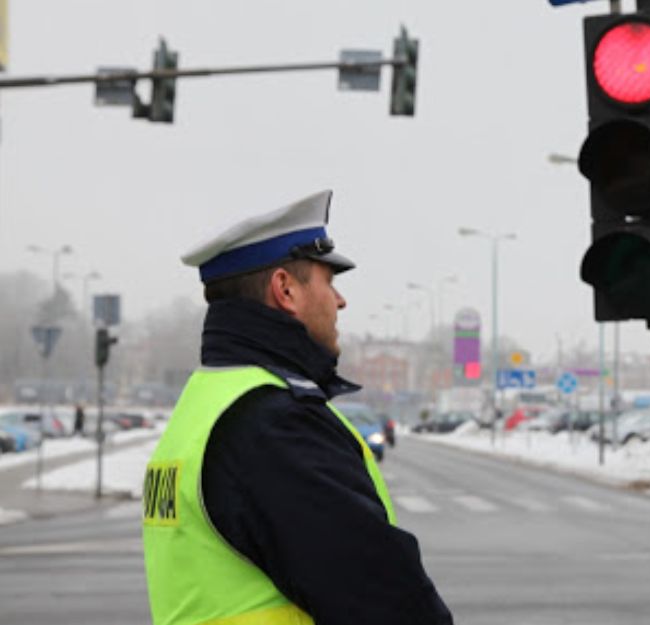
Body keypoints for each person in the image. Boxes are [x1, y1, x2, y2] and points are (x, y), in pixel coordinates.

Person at [142, 190, 453, 625]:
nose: (340, 301)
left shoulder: (205, 403)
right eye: (329, 281)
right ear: (285, 289)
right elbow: (387, 602)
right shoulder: (275, 424)